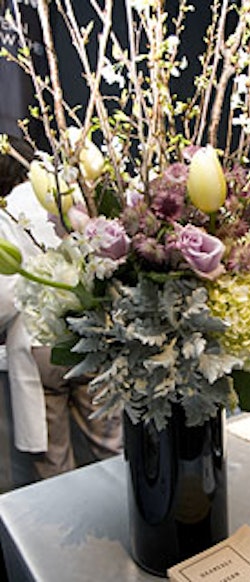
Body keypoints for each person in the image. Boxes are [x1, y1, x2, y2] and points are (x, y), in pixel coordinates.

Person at [0, 135, 122, 484]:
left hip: (39, 341)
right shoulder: (72, 192)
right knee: (111, 444)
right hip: (92, 328)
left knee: (53, 461)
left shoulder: (6, 211)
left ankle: (64, 530)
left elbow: (6, 297)